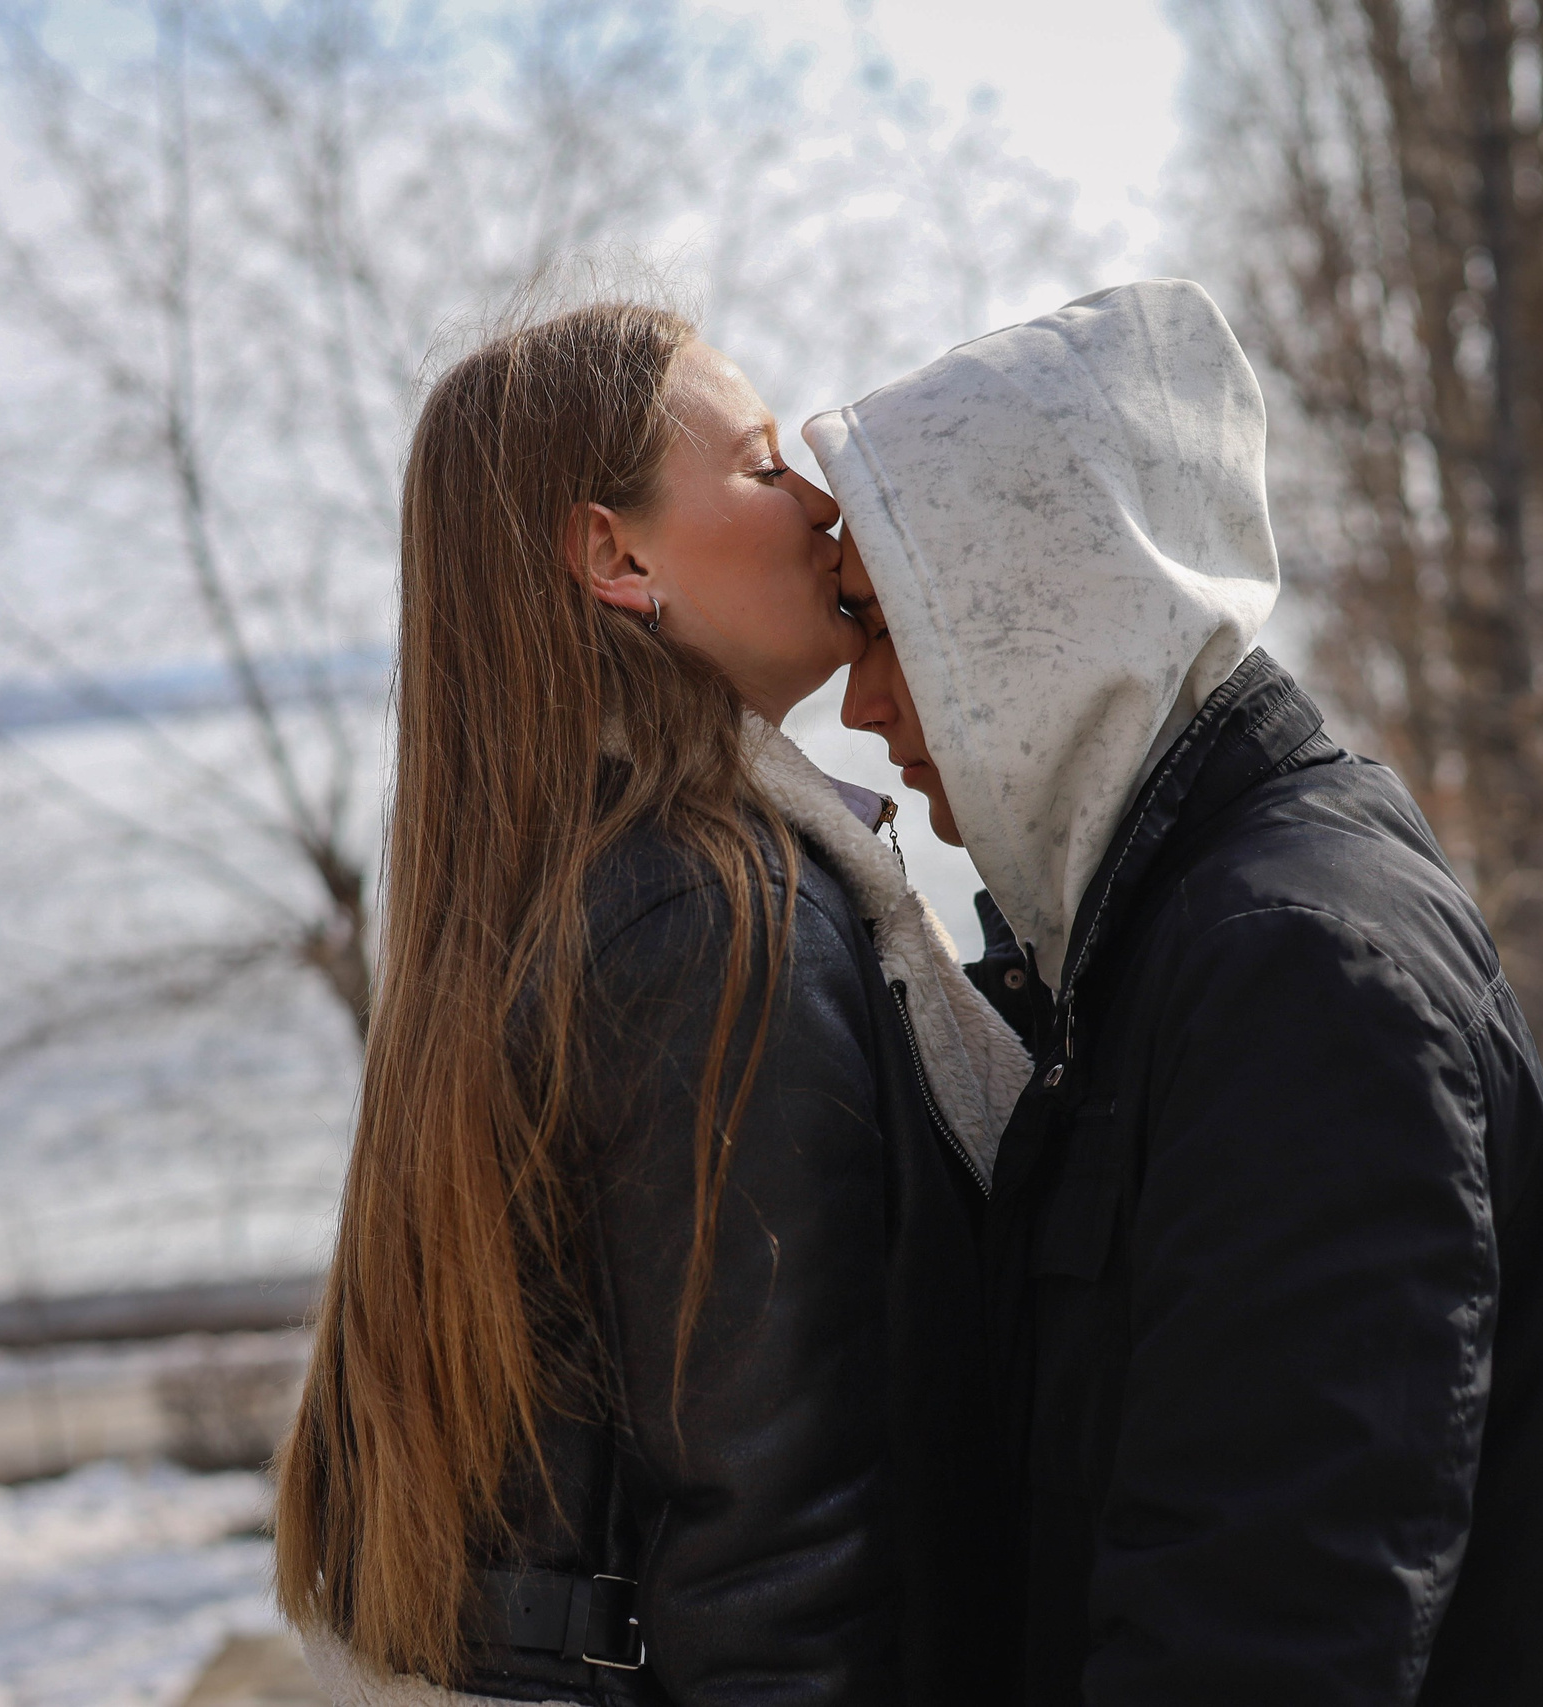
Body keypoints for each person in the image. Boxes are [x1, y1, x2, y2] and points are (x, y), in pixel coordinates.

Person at [814, 280, 1543, 1705]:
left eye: (881, 619)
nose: (858, 702)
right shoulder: (1167, 941)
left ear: (1030, 610)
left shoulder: (1293, 976)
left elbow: (1264, 1641)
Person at [274, 300, 1028, 1707]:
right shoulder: (711, 926)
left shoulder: (565, 889)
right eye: (756, 466)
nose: (819, 500)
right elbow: (777, 1545)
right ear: (616, 557)